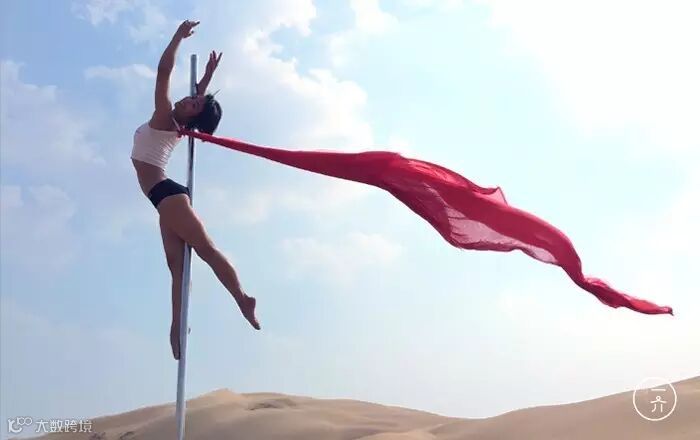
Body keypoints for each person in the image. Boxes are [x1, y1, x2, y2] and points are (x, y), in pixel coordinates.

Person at [130, 20, 260, 360]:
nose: (189, 99)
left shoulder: (164, 117)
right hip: (162, 197)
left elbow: (163, 71)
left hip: (167, 194)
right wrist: (206, 77)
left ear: (191, 120)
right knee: (176, 267)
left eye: (193, 104)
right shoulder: (178, 123)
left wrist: (177, 36)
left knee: (205, 249)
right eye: (192, 99)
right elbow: (197, 101)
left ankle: (242, 298)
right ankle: (177, 327)